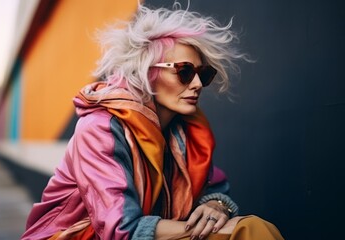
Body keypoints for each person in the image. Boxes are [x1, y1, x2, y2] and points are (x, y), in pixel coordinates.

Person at [22, 2, 284, 240]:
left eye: (203, 73)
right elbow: (121, 229)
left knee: (252, 229)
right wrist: (222, 229)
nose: (196, 84)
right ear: (147, 72)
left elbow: (215, 188)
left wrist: (216, 206)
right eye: (184, 71)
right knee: (248, 231)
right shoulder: (101, 128)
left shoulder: (187, 128)